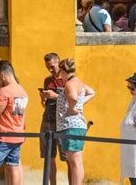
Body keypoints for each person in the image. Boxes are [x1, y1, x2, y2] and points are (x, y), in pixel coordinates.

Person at [56, 58, 95, 185]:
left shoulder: (69, 84)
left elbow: (72, 97)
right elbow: (91, 93)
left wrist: (73, 108)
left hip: (70, 125)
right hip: (77, 125)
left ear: (62, 71)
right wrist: (79, 104)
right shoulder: (78, 82)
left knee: (75, 162)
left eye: (60, 72)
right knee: (76, 161)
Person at [39, 53, 68, 185]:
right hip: (48, 120)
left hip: (63, 122)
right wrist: (43, 98)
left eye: (51, 66)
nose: (49, 69)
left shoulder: (68, 80)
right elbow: (45, 103)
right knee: (48, 157)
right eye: (47, 66)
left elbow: (74, 100)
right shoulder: (47, 80)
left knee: (68, 157)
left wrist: (55, 95)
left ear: (59, 62)